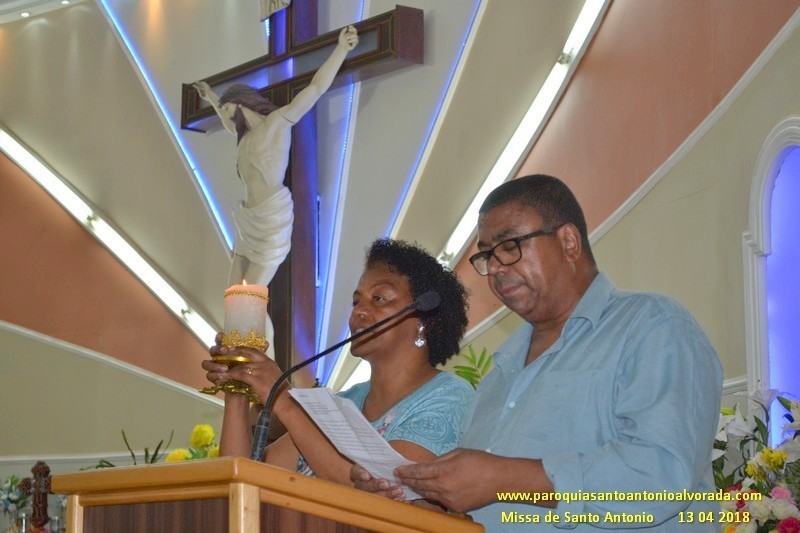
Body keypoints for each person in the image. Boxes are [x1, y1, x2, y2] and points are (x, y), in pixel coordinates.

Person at [352, 175, 723, 531]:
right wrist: (402, 499)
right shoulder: (498, 378)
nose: (495, 268)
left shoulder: (651, 326)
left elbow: (663, 476)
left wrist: (505, 479)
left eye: (510, 246)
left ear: (569, 241)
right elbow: (478, 512)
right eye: (487, 256)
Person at [202, 238, 475, 489]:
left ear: (425, 321)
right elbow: (246, 480)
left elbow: (390, 490)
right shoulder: (342, 403)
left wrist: (283, 400)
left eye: (378, 298)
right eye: (356, 301)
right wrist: (237, 391)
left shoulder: (449, 396)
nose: (359, 311)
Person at [194, 25, 357, 356]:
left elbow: (315, 88)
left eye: (227, 108)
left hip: (271, 219)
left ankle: (258, 366)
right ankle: (249, 362)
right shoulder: (242, 138)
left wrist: (341, 49)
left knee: (249, 295)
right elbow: (225, 120)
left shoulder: (278, 123)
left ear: (239, 103)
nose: (226, 116)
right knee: (235, 295)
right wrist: (211, 96)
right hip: (247, 219)